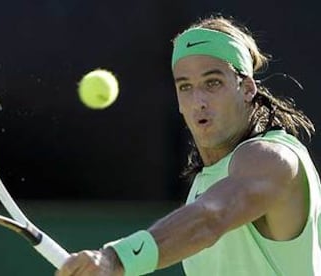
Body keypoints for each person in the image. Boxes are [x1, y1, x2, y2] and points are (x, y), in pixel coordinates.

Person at [56, 15, 321, 276]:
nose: (198, 101)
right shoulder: (205, 182)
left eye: (213, 83)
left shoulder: (273, 159)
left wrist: (117, 259)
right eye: (185, 87)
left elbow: (210, 219)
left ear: (247, 88)